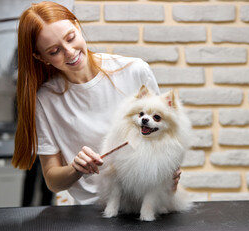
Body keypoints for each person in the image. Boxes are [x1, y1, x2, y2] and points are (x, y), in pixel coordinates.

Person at [12, 1, 181, 205]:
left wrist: (167, 173)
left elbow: (165, 138)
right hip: (90, 212)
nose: (69, 52)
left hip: (141, 202)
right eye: (54, 51)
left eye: (71, 38)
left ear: (77, 25)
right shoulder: (45, 100)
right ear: (41, 57)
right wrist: (76, 168)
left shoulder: (135, 71)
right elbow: (53, 181)